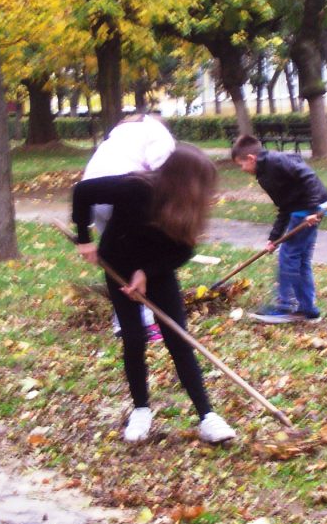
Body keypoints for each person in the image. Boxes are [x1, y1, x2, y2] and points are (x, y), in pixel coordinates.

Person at [71, 144, 237, 444]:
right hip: (117, 266)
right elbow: (83, 192)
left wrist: (146, 272)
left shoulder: (188, 205)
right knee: (134, 337)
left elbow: (183, 250)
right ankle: (141, 410)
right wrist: (84, 239)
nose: (205, 191)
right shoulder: (134, 188)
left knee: (179, 339)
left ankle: (207, 417)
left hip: (158, 270)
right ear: (183, 179)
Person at [83, 113, 176, 342]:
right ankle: (145, 322)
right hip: (124, 193)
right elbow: (163, 177)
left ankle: (123, 323)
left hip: (94, 193)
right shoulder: (161, 136)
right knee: (142, 258)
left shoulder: (119, 134)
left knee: (117, 259)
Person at [231, 134, 327, 324]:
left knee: (289, 257)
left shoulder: (277, 161)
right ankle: (308, 310)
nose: (242, 169)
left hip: (310, 208)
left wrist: (312, 209)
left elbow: (308, 176)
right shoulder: (264, 175)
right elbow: (284, 207)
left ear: (251, 158)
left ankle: (286, 307)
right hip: (304, 208)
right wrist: (273, 239)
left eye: (241, 165)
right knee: (299, 259)